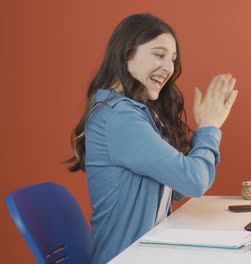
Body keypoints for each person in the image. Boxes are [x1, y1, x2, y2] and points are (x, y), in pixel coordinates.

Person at [67, 13, 238, 264]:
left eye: (172, 59)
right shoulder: (119, 118)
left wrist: (202, 132)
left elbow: (177, 188)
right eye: (159, 55)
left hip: (148, 252)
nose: (169, 68)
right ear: (126, 54)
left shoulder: (133, 113)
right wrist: (210, 127)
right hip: (127, 258)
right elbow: (192, 181)